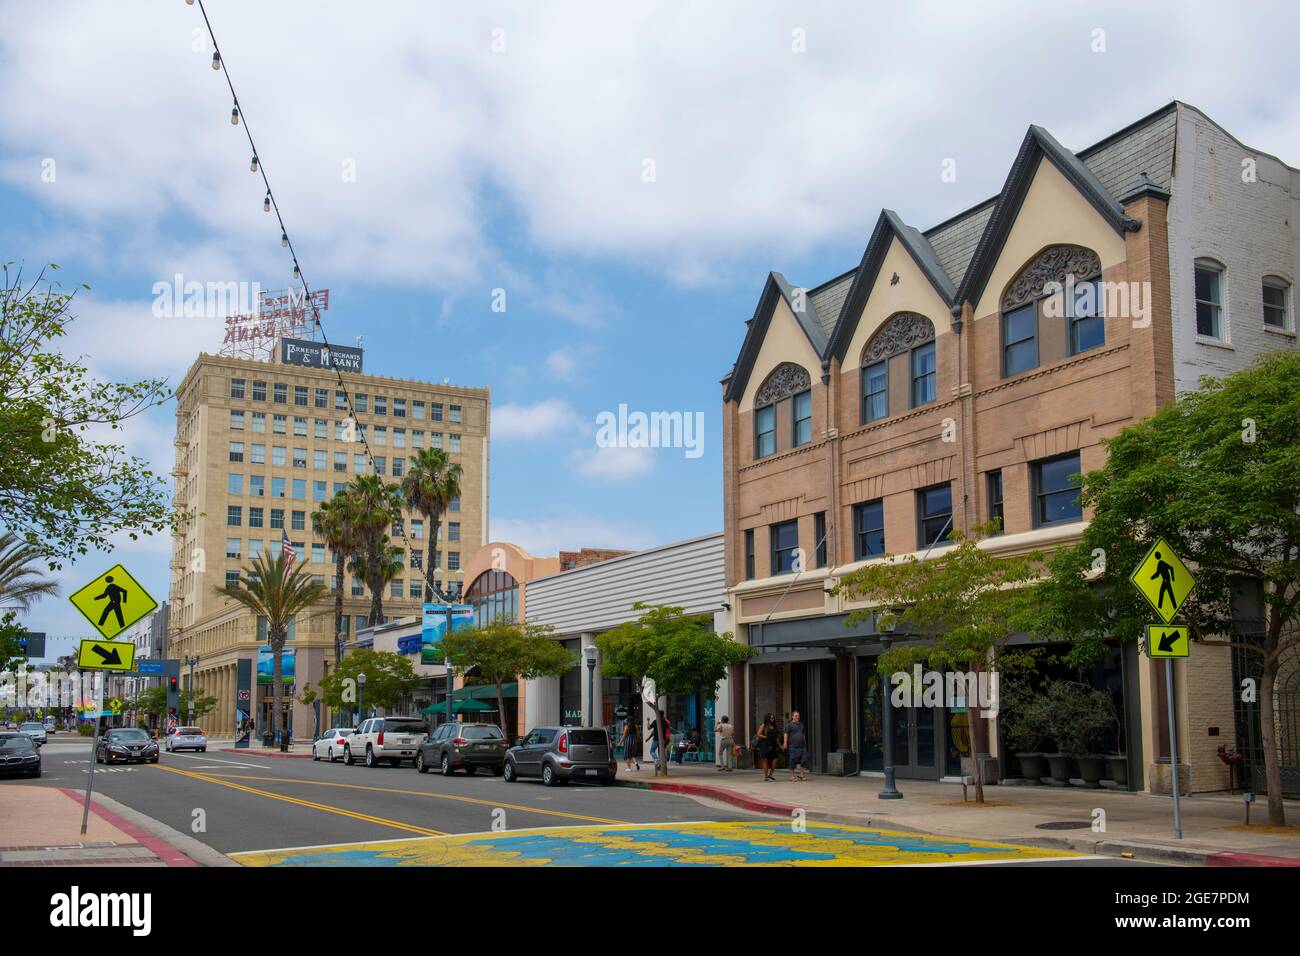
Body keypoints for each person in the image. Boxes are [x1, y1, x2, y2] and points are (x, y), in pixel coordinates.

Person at [783, 709, 809, 782]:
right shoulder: (789, 725)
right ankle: (792, 776)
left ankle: (801, 775)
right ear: (792, 717)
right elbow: (786, 733)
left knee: (804, 759)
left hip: (802, 746)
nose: (797, 717)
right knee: (793, 761)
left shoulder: (801, 724)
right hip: (793, 746)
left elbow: (803, 735)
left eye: (798, 716)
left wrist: (805, 743)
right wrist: (785, 743)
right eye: (796, 716)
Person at [754, 713, 779, 782]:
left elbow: (776, 737)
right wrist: (765, 737)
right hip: (765, 745)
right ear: (767, 719)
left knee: (775, 760)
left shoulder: (774, 726)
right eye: (771, 718)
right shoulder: (763, 725)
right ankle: (766, 777)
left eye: (773, 718)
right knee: (765, 761)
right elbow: (758, 734)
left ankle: (770, 774)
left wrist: (780, 746)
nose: (772, 719)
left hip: (773, 745)